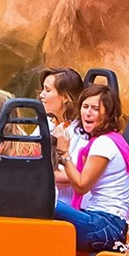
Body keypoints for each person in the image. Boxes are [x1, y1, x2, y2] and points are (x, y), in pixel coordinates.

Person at [53, 83, 129, 253]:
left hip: (106, 226)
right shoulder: (103, 141)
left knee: (44, 203)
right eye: (85, 107)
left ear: (108, 114)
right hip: (102, 222)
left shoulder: (104, 144)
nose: (88, 113)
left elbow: (81, 186)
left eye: (95, 109)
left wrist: (64, 153)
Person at [39, 67, 85, 204]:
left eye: (47, 90)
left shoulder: (80, 132)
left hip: (67, 204)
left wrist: (35, 173)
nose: (41, 95)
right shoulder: (48, 123)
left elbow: (75, 175)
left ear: (65, 97)